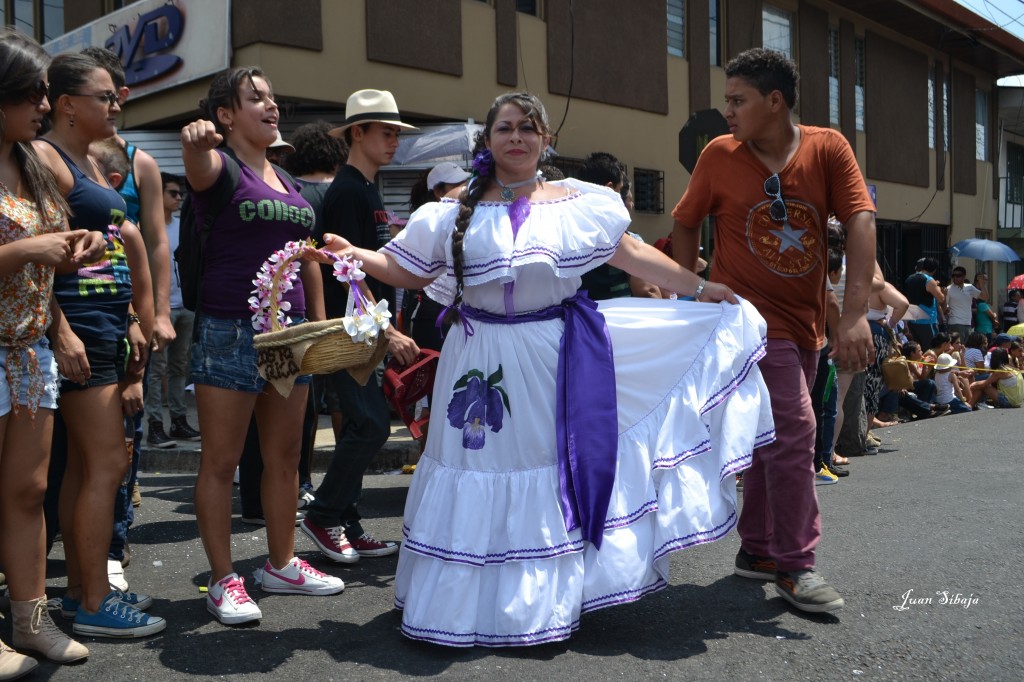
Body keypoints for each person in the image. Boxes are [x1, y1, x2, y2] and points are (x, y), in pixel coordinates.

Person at [310, 90, 772, 646]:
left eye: (528, 128)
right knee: (474, 469)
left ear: (546, 140)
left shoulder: (576, 204)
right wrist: (351, 253)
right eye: (505, 128)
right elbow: (403, 268)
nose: (516, 138)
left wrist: (699, 287)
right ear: (489, 139)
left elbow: (629, 254)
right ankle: (460, 606)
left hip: (551, 356)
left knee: (542, 469)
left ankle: (536, 605)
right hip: (476, 356)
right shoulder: (454, 208)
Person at [670, 48, 877, 614]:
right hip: (747, 322)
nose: (727, 111)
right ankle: (796, 564)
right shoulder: (718, 154)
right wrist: (687, 292)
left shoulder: (827, 148)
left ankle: (758, 551)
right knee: (795, 430)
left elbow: (860, 220)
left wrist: (854, 313)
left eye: (738, 100)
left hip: (807, 323)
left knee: (768, 440)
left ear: (775, 101)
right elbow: (685, 221)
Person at [181, 66, 343, 627]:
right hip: (230, 331)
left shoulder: (290, 181)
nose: (270, 106)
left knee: (286, 458)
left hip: (288, 335)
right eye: (255, 98)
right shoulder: (218, 166)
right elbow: (197, 165)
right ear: (226, 115)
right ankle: (223, 579)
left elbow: (306, 256)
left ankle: (281, 563)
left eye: (272, 97)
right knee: (222, 462)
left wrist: (319, 328)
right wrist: (195, 142)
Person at [33, 49, 167, 638]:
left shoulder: (85, 159)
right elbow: (35, 256)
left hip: (106, 325)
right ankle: (92, 602)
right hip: (81, 327)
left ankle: (81, 589)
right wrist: (60, 328)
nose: (116, 104)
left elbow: (112, 248)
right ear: (67, 105)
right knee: (106, 462)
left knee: (87, 466)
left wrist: (136, 317)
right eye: (105, 96)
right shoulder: (46, 157)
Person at [0, 27, 106, 674]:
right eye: (34, 94)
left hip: (29, 348)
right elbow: (21, 255)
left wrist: (72, 252)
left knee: (28, 490)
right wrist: (22, 252)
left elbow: (48, 255)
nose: (45, 105)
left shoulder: (31, 159)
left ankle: (30, 621)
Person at [298, 89, 421, 563]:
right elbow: (345, 269)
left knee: (366, 422)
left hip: (365, 326)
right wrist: (386, 330)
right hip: (353, 328)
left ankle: (346, 521)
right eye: (385, 132)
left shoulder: (366, 187)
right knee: (368, 425)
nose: (393, 141)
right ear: (357, 133)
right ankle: (325, 514)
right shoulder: (348, 190)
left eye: (396, 133)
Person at [146, 172, 200, 447]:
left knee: (180, 367)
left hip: (186, 307)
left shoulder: (181, 225)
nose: (178, 198)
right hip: (160, 310)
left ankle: (179, 420)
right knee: (156, 369)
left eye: (180, 193)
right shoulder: (150, 227)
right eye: (172, 193)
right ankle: (155, 424)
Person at [577, 151, 660, 300]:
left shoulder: (567, 234)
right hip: (616, 320)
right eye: (620, 189)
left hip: (577, 319)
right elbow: (648, 292)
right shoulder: (623, 239)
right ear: (610, 188)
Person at [904, 257, 944, 349]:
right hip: (927, 321)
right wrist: (938, 289)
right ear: (934, 270)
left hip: (912, 321)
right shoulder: (929, 280)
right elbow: (941, 298)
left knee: (918, 351)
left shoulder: (909, 278)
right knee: (931, 350)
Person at [944, 266, 984, 343]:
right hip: (955, 323)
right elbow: (944, 308)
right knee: (958, 349)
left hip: (968, 323)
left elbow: (985, 297)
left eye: (958, 275)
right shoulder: (949, 289)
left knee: (965, 350)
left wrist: (981, 283)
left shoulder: (970, 287)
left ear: (964, 276)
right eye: (953, 275)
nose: (955, 277)